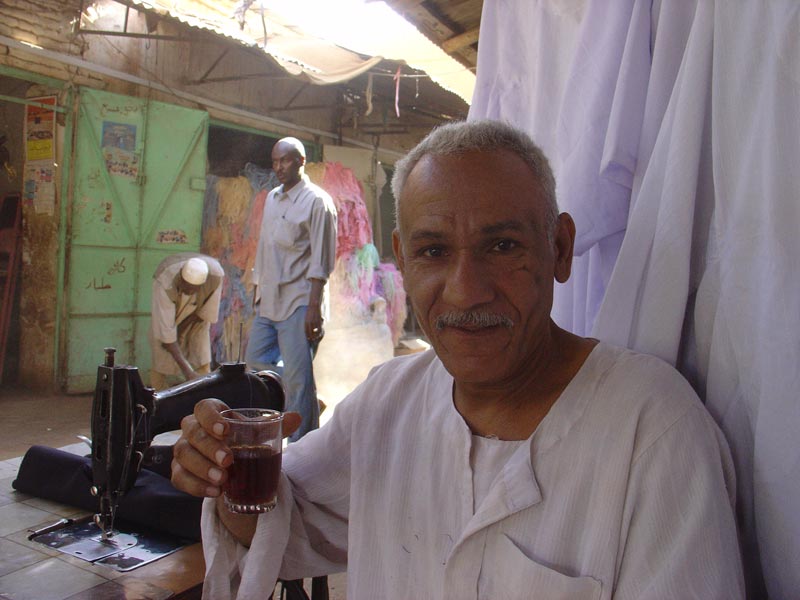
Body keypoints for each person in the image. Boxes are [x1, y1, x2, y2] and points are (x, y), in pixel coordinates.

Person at [172, 120, 745, 599]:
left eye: (502, 246)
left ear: (561, 249)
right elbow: (283, 526)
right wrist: (223, 473)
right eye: (434, 251)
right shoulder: (384, 404)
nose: (467, 291)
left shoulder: (653, 431)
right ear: (403, 259)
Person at [245, 137, 337, 442]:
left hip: (300, 302)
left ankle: (303, 445)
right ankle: (307, 402)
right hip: (269, 300)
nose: (279, 167)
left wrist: (314, 308)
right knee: (253, 367)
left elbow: (321, 261)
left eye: (285, 161)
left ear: (301, 161)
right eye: (274, 162)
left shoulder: (317, 202)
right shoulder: (272, 197)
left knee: (298, 380)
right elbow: (265, 248)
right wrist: (255, 291)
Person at [149, 252, 224, 390]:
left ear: (201, 285)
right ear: (181, 278)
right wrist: (188, 372)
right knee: (161, 355)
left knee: (201, 355)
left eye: (193, 288)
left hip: (196, 313)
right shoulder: (165, 283)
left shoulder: (215, 276)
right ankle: (157, 399)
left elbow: (205, 314)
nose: (188, 290)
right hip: (168, 308)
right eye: (186, 286)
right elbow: (167, 336)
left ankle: (203, 396)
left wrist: (182, 329)